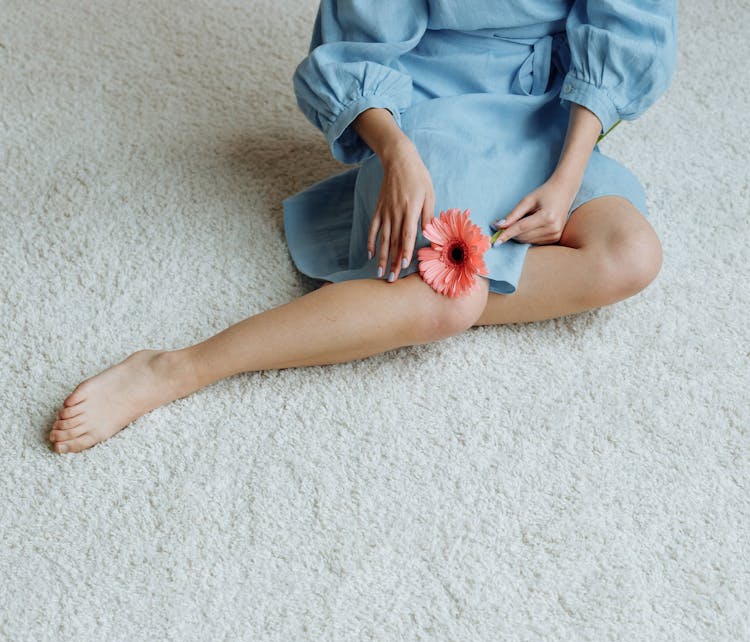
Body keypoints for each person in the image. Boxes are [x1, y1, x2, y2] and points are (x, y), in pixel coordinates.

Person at [48, 0, 677, 455]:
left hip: (550, 112)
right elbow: (355, 49)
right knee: (450, 304)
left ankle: (424, 288)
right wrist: (396, 151)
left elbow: (626, 25)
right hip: (423, 110)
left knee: (630, 256)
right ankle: (178, 367)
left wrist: (567, 180)